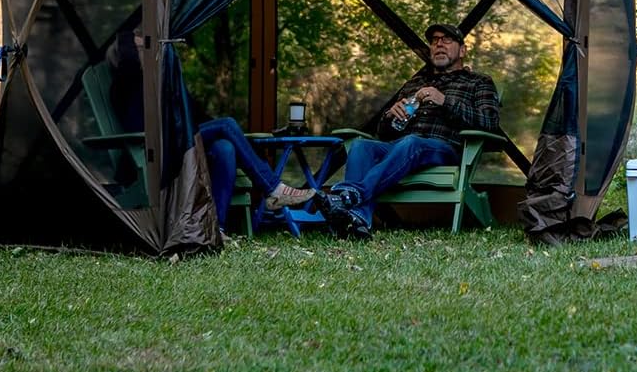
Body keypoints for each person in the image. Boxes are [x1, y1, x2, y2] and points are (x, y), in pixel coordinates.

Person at [106, 28, 315, 227]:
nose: (152, 52)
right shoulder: (125, 85)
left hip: (178, 143)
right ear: (128, 55)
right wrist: (128, 41)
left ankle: (217, 228)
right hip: (156, 151)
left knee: (225, 146)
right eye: (143, 48)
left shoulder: (164, 83)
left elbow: (196, 115)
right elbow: (140, 124)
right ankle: (273, 188)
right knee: (227, 124)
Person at [315, 22, 500, 238]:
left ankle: (349, 195)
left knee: (412, 142)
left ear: (462, 50)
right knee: (360, 146)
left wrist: (445, 101)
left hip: (443, 150)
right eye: (434, 41)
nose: (439, 44)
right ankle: (358, 221)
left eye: (447, 40)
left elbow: (489, 122)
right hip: (401, 150)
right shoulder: (415, 83)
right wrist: (391, 116)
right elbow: (383, 133)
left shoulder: (478, 82)